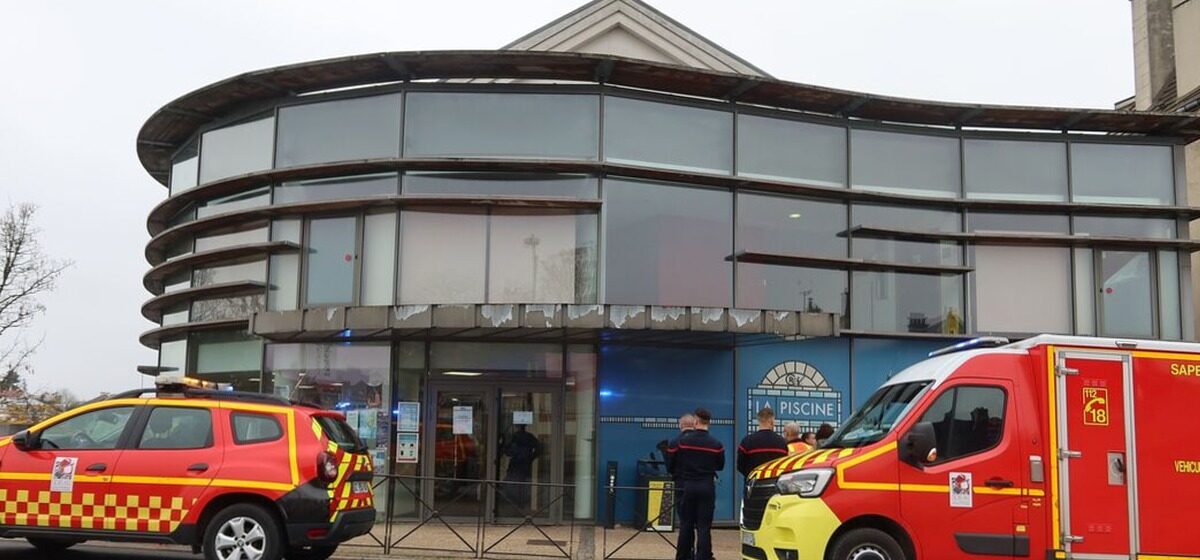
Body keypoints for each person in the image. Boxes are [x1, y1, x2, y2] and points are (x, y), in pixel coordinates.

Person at [669, 408, 724, 560]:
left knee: (686, 524)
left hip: (688, 485)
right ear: (709, 422)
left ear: (695, 421)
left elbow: (674, 463)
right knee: (704, 526)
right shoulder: (716, 444)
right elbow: (720, 465)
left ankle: (683, 556)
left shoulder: (683, 442)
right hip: (707, 486)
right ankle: (703, 556)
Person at [737, 407, 788, 477]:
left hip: (753, 483)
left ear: (759, 420)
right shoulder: (782, 442)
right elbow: (785, 464)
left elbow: (740, 466)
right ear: (772, 421)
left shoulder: (747, 441)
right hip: (774, 482)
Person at [502, 424, 542, 511]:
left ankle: (516, 502)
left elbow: (507, 449)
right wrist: (531, 457)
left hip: (517, 463)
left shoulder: (515, 436)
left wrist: (510, 452)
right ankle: (519, 503)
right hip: (524, 463)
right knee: (522, 483)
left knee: (514, 482)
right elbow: (539, 448)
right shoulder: (528, 436)